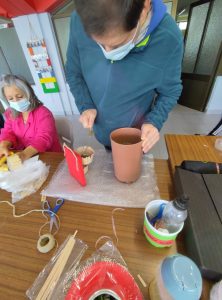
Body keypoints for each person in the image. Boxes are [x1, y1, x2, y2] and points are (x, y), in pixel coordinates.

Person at [66, 0, 183, 153]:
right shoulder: (79, 20)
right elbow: (74, 72)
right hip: (102, 132)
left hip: (136, 137)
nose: (107, 54)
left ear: (144, 7)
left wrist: (154, 121)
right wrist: (85, 105)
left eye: (116, 45)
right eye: (99, 44)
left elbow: (170, 92)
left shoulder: (168, 39)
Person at [0, 74, 62, 161]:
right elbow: (8, 132)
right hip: (23, 157)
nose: (16, 101)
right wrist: (4, 144)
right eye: (10, 99)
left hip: (48, 156)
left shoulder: (43, 113)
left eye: (19, 96)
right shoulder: (10, 113)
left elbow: (43, 138)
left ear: (29, 94)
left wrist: (25, 154)